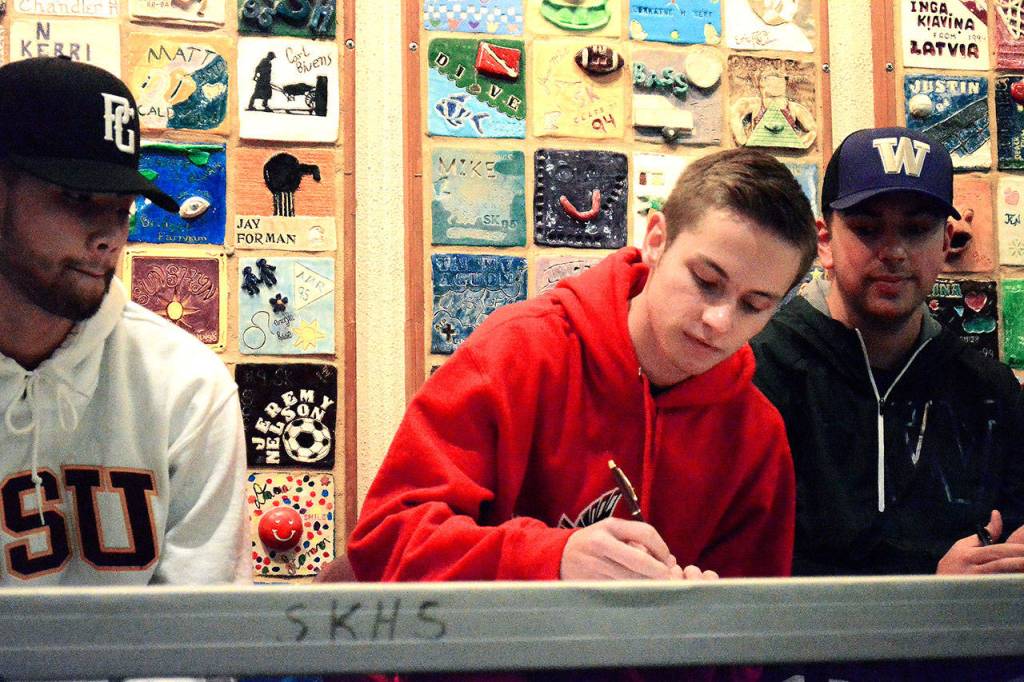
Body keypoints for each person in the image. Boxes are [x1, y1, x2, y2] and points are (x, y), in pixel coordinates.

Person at [348, 147, 817, 591]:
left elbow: (745, 642)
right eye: (706, 281)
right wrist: (552, 560)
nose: (720, 320)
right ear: (656, 241)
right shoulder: (520, 351)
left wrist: (695, 631)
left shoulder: (756, 435)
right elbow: (387, 542)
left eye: (755, 305)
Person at [0, 57, 248, 586]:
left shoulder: (187, 387)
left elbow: (192, 644)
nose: (108, 235)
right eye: (77, 198)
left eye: (121, 206)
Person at [751, 126, 1024, 579]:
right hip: (791, 649)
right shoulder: (757, 375)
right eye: (866, 228)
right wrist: (931, 599)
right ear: (824, 241)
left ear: (945, 242)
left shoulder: (990, 392)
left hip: (954, 651)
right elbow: (732, 575)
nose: (894, 251)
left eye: (916, 230)